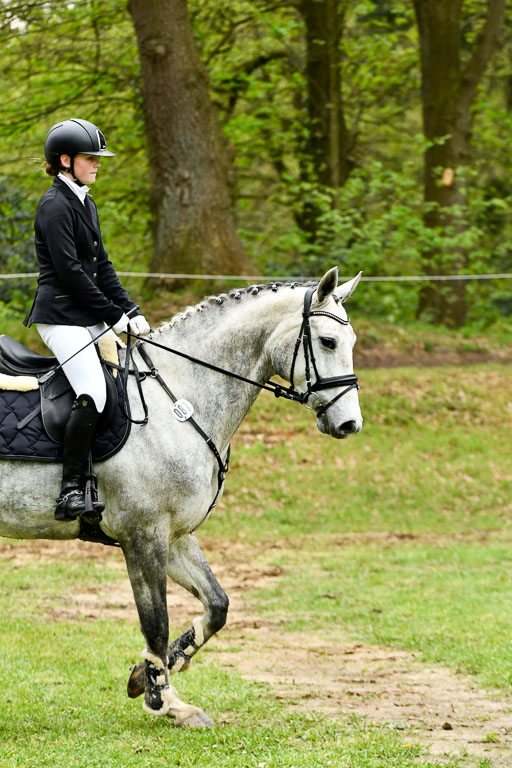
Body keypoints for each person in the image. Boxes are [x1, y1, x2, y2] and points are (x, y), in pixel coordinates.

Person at [24, 118, 150, 523]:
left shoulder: (84, 201)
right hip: (60, 316)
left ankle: (105, 474)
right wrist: (112, 316)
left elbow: (102, 267)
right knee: (94, 392)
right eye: (90, 158)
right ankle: (71, 489)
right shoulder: (54, 205)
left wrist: (130, 309)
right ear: (65, 160)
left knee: (128, 378)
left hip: (85, 313)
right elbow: (71, 274)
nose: (97, 164)